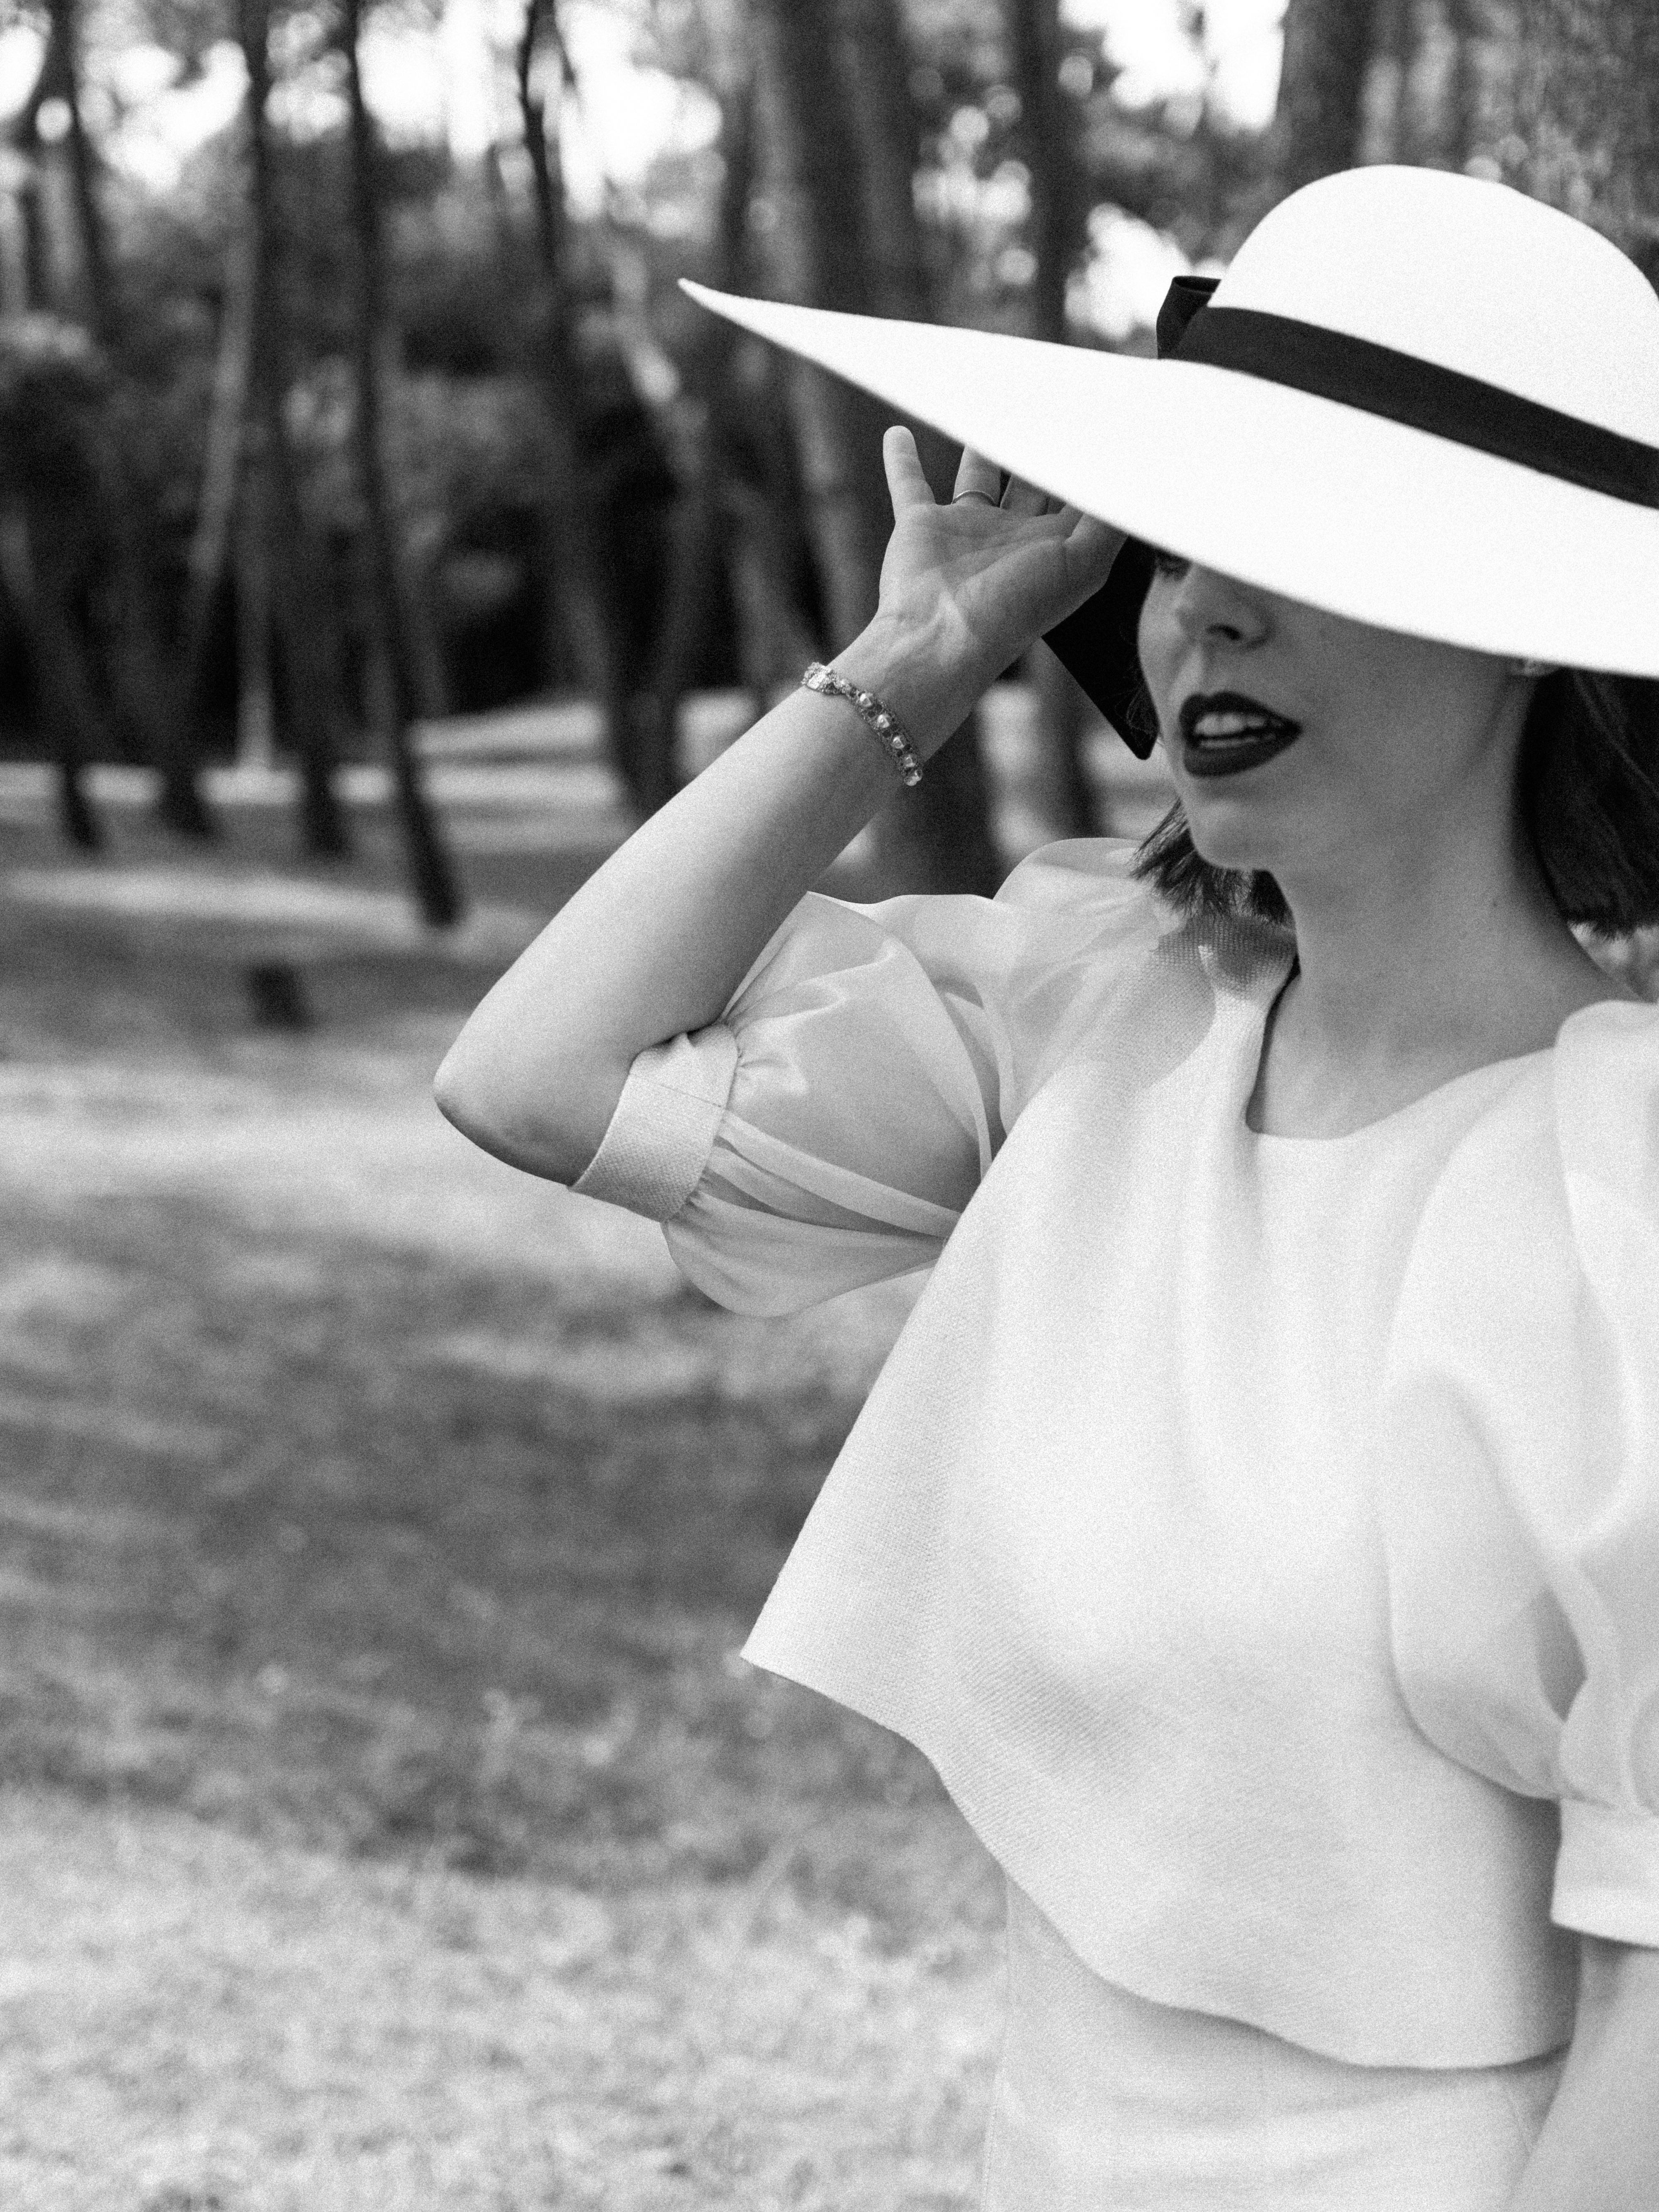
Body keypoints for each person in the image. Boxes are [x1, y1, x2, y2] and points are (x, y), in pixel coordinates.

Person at [434, 166, 1659, 2210]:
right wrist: (908, 660)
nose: (1206, 612)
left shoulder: (1615, 1205)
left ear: (1525, 635)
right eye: (1180, 549)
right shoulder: (1107, 1011)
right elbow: (534, 1078)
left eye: (1302, 548)